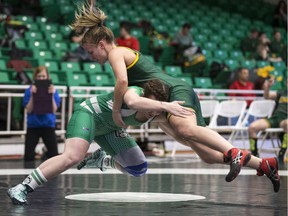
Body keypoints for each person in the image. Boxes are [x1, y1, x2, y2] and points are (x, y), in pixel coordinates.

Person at [68, 2, 280, 193]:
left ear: (102, 44)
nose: (91, 57)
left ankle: (234, 152)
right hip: (166, 94)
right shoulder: (117, 51)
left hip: (172, 90)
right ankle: (264, 164)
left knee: (185, 130)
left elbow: (122, 82)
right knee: (205, 154)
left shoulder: (116, 53)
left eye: (91, 51)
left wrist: (115, 110)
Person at [7, 79, 192, 205]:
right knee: (73, 156)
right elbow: (134, 102)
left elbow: (178, 133)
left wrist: (193, 139)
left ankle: (103, 160)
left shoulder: (157, 111)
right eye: (151, 105)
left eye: (157, 107)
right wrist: (164, 106)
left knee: (138, 168)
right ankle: (22, 187)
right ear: (146, 96)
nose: (153, 112)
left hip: (110, 129)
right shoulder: (135, 93)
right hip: (90, 115)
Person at [22, 66, 60, 161]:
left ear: (47, 77)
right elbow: (29, 110)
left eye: (43, 76)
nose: (41, 78)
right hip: (33, 125)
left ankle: (45, 154)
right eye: (39, 76)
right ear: (35, 77)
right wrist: (32, 95)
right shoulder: (29, 90)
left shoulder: (53, 90)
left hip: (48, 124)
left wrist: (51, 95)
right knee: (28, 157)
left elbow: (54, 109)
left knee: (54, 155)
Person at [248, 77, 287, 164]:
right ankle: (254, 155)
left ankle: (282, 154)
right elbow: (267, 96)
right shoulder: (282, 92)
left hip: (285, 121)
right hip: (275, 119)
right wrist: (267, 87)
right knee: (252, 127)